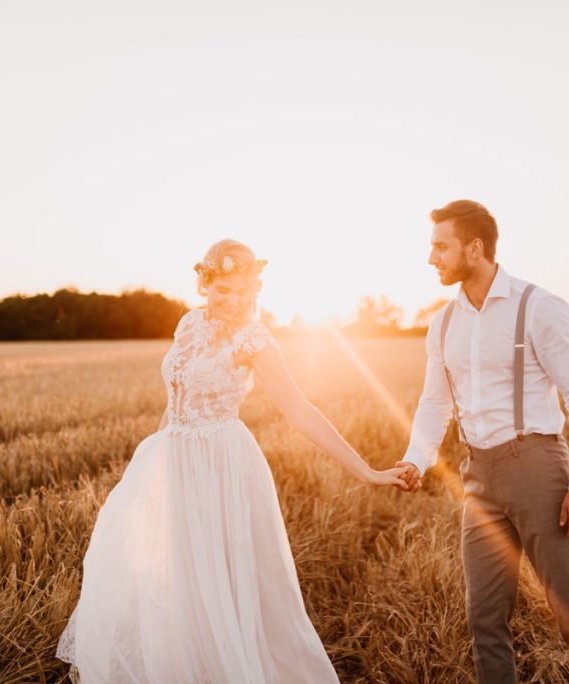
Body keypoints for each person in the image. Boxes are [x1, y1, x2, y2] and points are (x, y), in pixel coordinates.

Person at [56, 239, 409, 683]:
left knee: (224, 580)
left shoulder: (254, 339)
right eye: (225, 290)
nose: (235, 301)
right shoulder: (187, 325)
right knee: (180, 576)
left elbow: (300, 410)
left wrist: (366, 471)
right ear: (204, 285)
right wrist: (157, 457)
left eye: (245, 292)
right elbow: (176, 397)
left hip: (224, 467)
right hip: (176, 460)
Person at [395, 201, 569, 683]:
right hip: (479, 476)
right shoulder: (443, 323)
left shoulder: (538, 306)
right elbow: (435, 404)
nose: (431, 258)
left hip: (539, 469)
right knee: (485, 619)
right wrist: (416, 460)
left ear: (475, 248)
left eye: (440, 246)